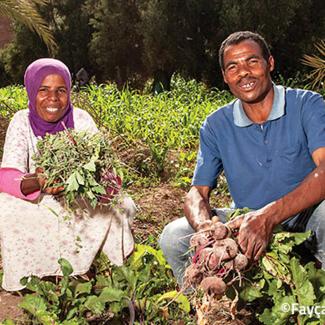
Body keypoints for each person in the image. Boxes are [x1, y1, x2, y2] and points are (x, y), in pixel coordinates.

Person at [160, 31, 325, 286]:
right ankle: (211, 310)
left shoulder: (306, 105)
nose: (244, 72)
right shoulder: (216, 125)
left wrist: (268, 217)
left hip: (305, 220)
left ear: (269, 63)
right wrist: (206, 226)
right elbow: (197, 192)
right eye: (233, 67)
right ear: (226, 77)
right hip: (246, 224)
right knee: (173, 236)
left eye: (252, 61)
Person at [0, 58, 136, 291]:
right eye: (44, 90)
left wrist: (85, 182)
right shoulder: (21, 121)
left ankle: (92, 268)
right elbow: (7, 175)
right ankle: (34, 276)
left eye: (60, 90)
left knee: (121, 205)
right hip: (37, 197)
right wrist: (39, 181)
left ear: (69, 92)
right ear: (32, 91)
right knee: (7, 208)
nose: (53, 98)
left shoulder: (81, 119)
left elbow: (106, 171)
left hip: (78, 197)